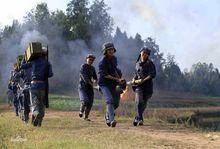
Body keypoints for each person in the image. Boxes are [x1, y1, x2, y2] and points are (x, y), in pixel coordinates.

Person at [20, 52, 53, 127]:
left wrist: (24, 57)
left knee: (34, 104)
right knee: (41, 105)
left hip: (34, 85)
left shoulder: (33, 61)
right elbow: (50, 74)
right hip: (42, 86)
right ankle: (39, 122)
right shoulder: (47, 63)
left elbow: (22, 66)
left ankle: (36, 114)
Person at [98, 42, 125, 127]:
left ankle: (107, 115)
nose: (111, 51)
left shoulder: (114, 59)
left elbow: (114, 70)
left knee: (116, 104)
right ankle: (112, 120)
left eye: (112, 49)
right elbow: (106, 75)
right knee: (109, 100)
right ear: (105, 51)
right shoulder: (102, 62)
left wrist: (120, 79)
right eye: (109, 50)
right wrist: (117, 79)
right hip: (104, 84)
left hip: (112, 84)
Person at [132, 47, 156, 126]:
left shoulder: (150, 63)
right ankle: (141, 119)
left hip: (148, 87)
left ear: (148, 55)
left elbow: (152, 74)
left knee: (143, 104)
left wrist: (144, 80)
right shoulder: (137, 63)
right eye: (143, 52)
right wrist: (134, 79)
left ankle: (137, 117)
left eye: (146, 53)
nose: (144, 54)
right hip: (139, 86)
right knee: (139, 101)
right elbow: (136, 74)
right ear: (140, 52)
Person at [78, 54, 97, 121]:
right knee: (85, 100)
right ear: (86, 59)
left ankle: (86, 117)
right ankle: (81, 111)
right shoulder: (83, 67)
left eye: (92, 60)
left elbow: (95, 77)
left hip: (90, 88)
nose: (91, 61)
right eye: (90, 59)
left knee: (90, 102)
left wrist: (94, 81)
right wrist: (91, 83)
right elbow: (84, 78)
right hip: (82, 87)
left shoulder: (93, 68)